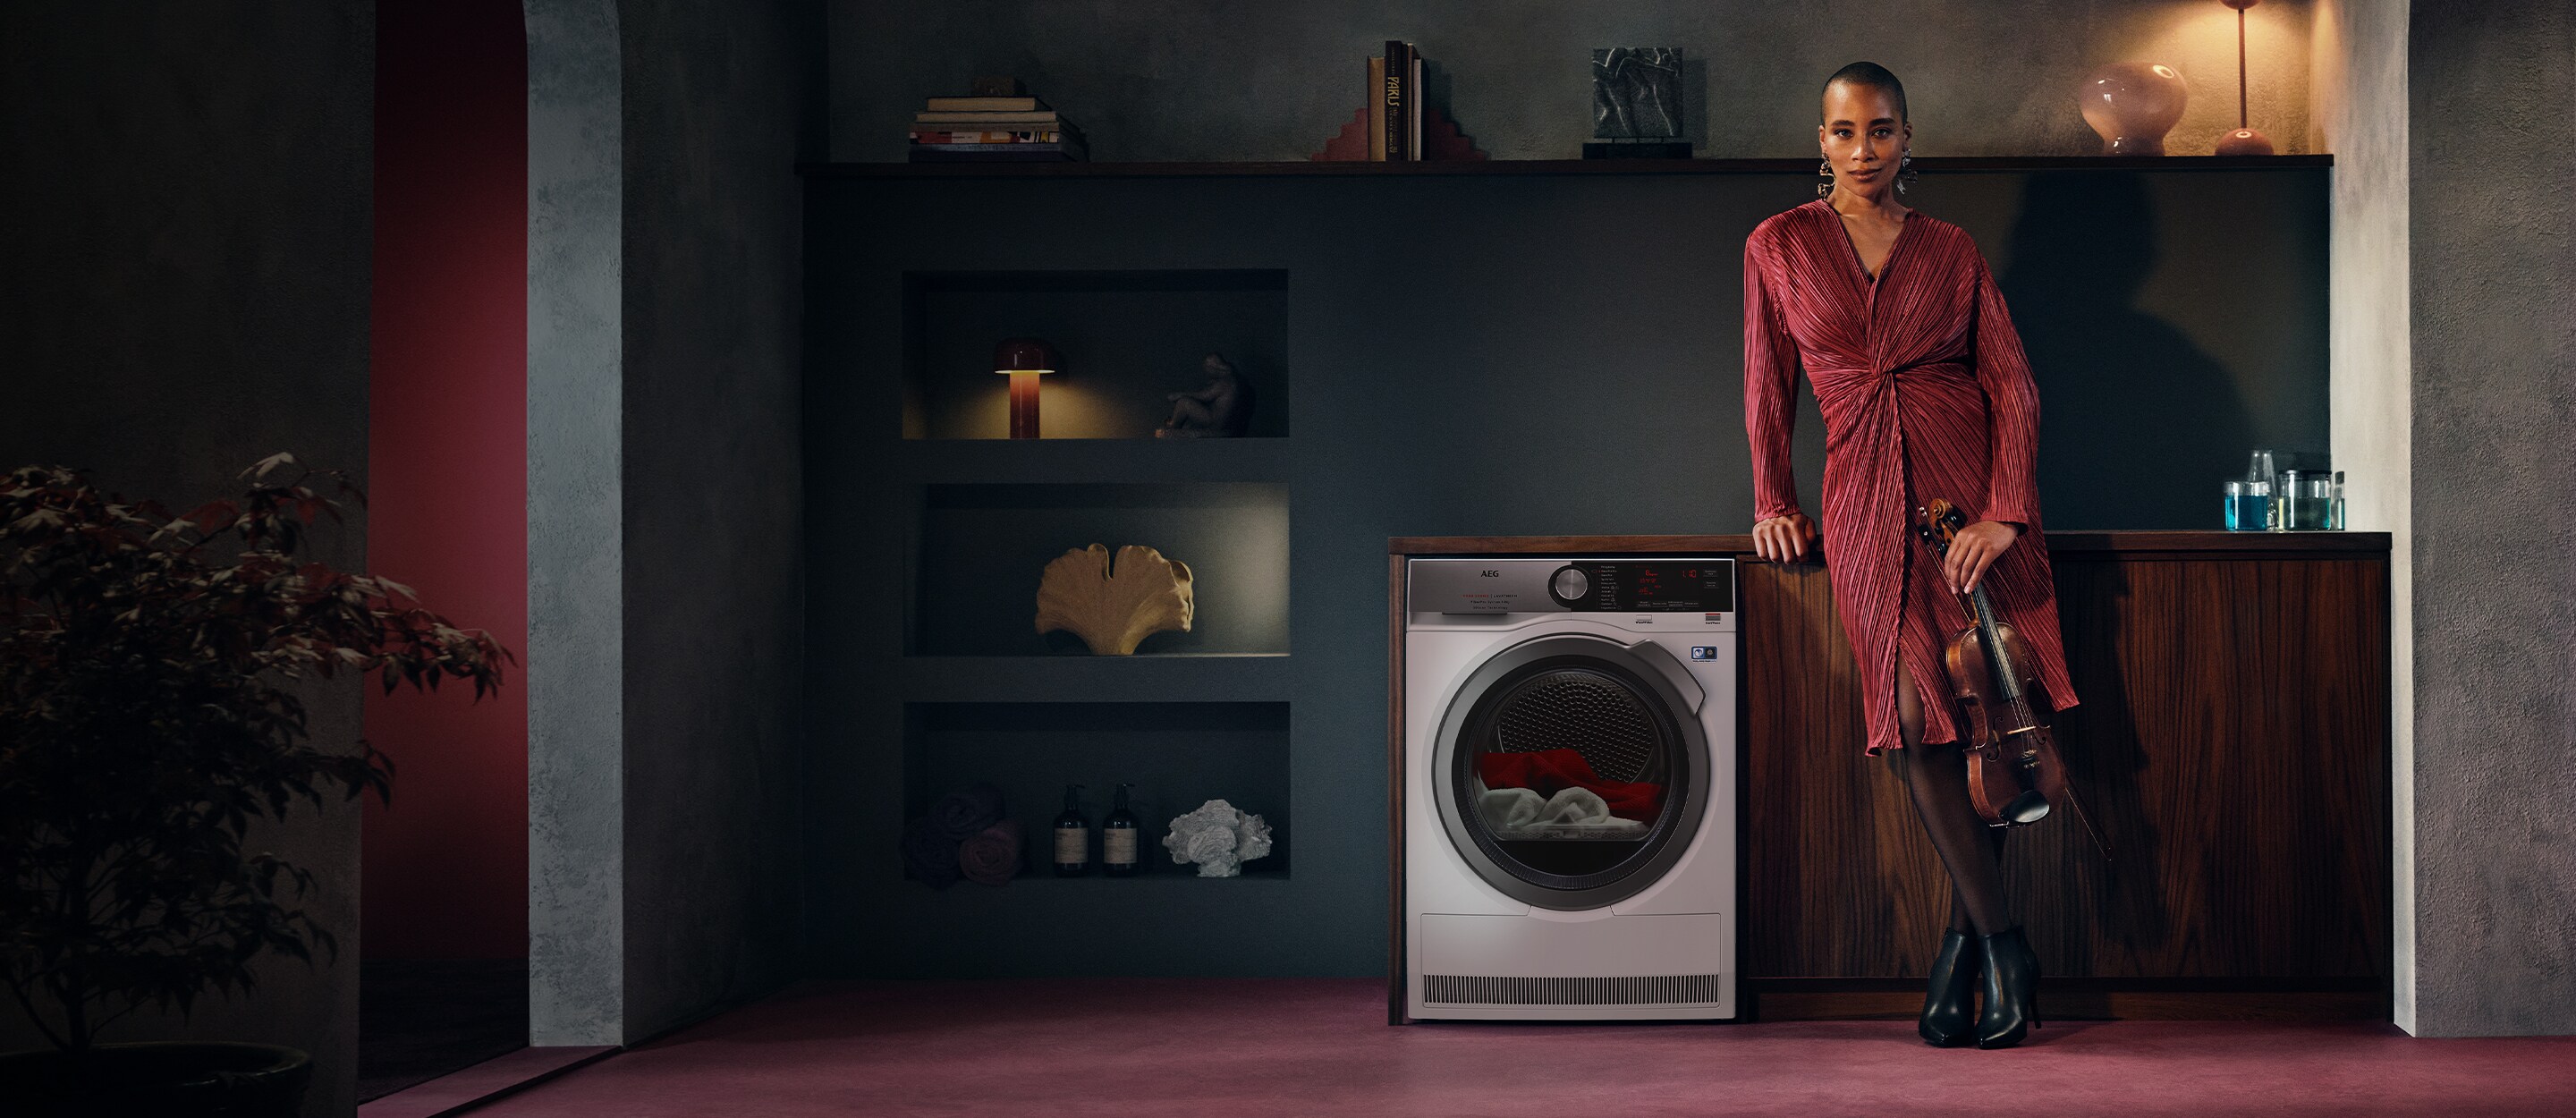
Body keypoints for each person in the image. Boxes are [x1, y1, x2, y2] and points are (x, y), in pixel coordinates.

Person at [1741, 62, 2080, 1051]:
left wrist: (2005, 513)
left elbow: (2014, 387)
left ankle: (1958, 948)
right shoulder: (1779, 244)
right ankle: (2005, 943)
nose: (1864, 151)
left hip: (1966, 500)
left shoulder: (1953, 249)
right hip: (1859, 503)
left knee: (1984, 718)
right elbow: (1769, 389)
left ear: (1907, 137)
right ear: (1821, 140)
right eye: (1845, 133)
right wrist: (1773, 500)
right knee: (1905, 715)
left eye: (1881, 131)